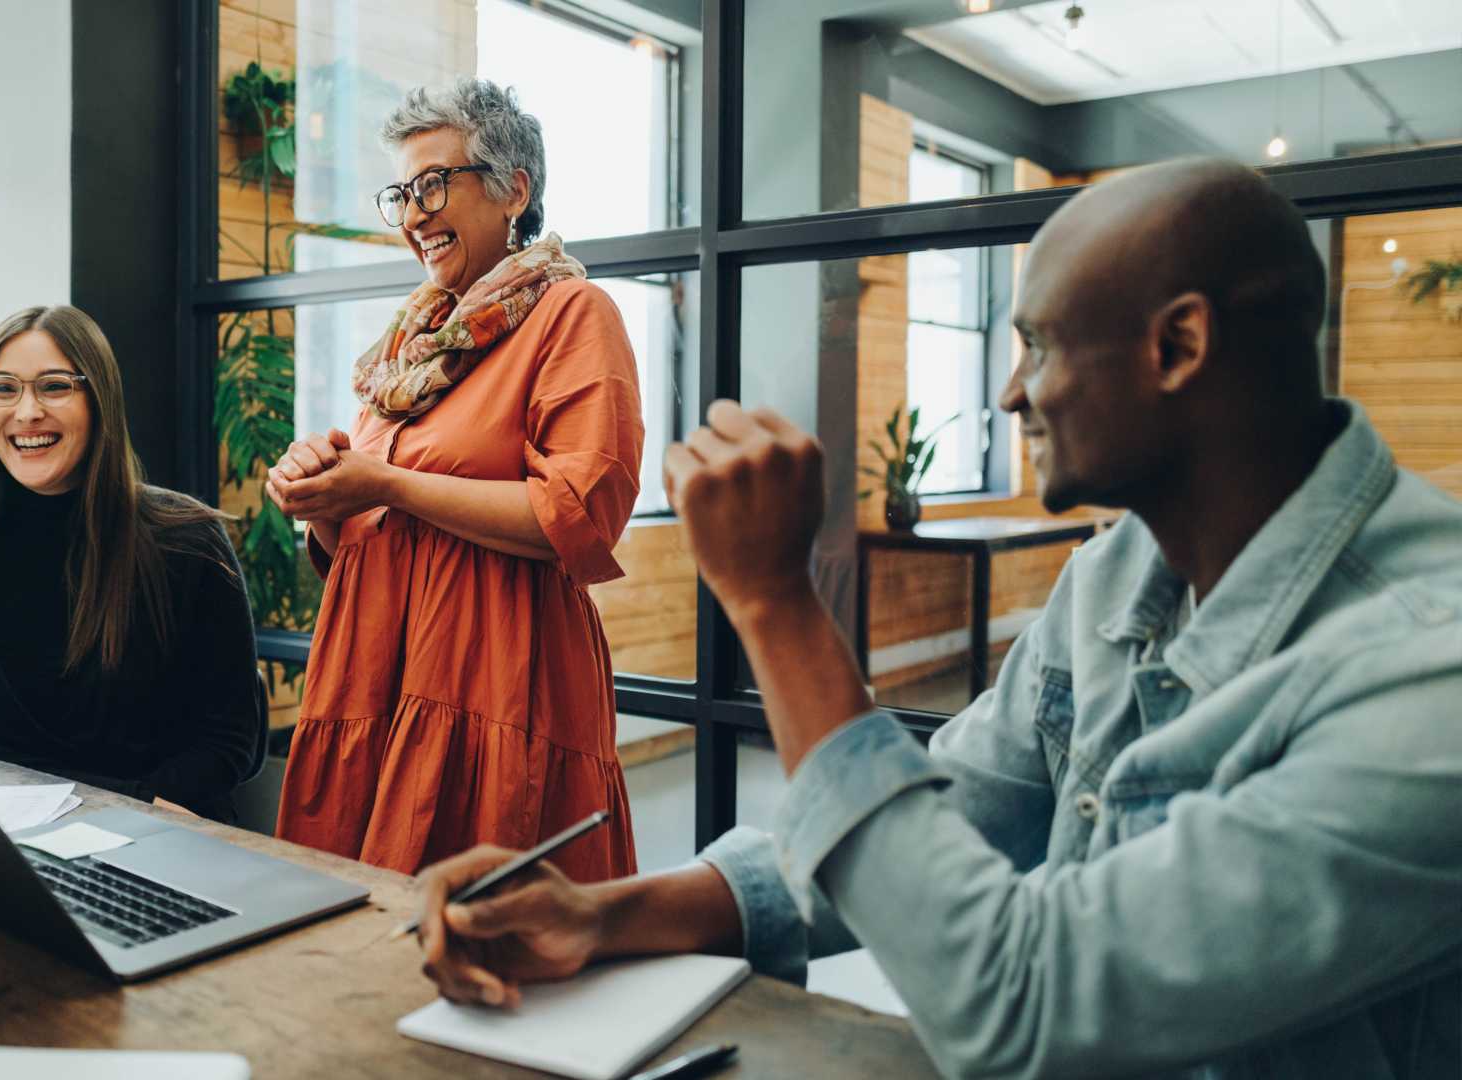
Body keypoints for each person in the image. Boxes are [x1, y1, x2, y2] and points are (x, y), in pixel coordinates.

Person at [410, 159, 1462, 1078]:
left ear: (1179, 345)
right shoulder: (1119, 573)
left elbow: (1023, 1005)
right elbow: (938, 820)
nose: (1011, 394)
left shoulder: (1426, 677)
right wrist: (607, 915)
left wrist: (776, 606)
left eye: (1039, 344)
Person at [266, 78, 642, 881]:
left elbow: (576, 515)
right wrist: (323, 497)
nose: (412, 215)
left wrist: (386, 484)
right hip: (373, 678)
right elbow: (361, 539)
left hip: (496, 684)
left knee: (492, 944)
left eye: (434, 183)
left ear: (514, 190)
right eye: (401, 193)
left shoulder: (573, 314)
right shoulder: (410, 347)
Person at [0, 305, 261, 822]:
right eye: (4, 388)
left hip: (166, 833)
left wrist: (130, 813)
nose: (26, 412)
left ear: (99, 400)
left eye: (54, 386)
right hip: (11, 841)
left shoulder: (188, 539)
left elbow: (229, 739)